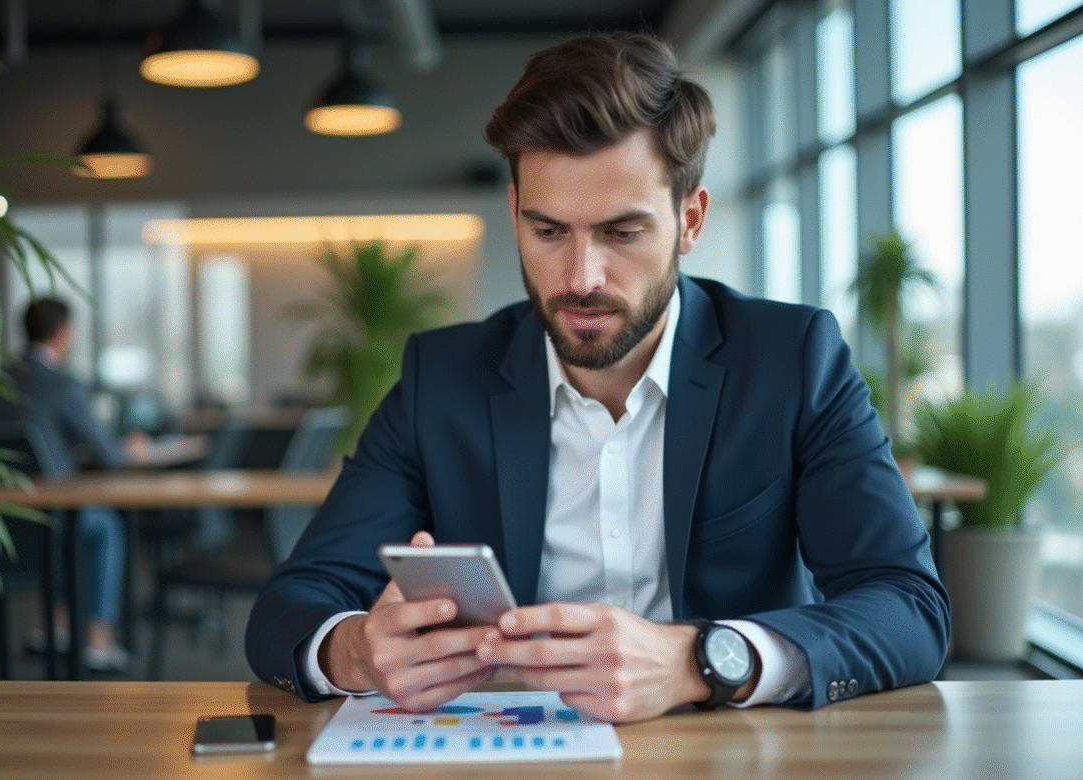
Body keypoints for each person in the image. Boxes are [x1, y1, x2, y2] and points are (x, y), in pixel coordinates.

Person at [246, 32, 950, 722]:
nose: (580, 279)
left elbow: (908, 607)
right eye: (549, 232)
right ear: (516, 215)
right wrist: (355, 653)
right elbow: (293, 603)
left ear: (690, 219)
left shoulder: (793, 361)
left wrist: (700, 660)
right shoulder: (443, 379)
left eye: (621, 233)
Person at [0, 297, 150, 672]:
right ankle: (97, 635)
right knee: (105, 527)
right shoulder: (62, 384)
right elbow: (108, 454)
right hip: (54, 513)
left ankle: (54, 623)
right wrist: (131, 447)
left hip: (0, 516)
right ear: (62, 334)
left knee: (81, 526)